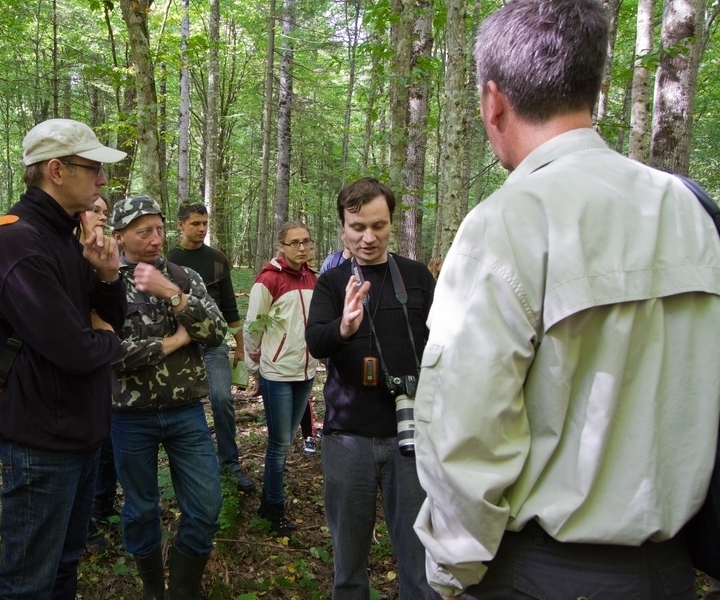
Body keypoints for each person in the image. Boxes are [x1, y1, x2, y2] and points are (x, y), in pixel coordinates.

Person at [412, 2, 720, 599]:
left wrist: (450, 573)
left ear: (492, 101)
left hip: (539, 574)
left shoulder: (507, 223)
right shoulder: (692, 211)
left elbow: (464, 434)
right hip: (671, 572)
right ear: (597, 91)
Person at [0, 118, 128, 600]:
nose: (103, 180)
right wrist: (107, 341)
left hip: (80, 431)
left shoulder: (67, 238)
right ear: (57, 170)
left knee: (63, 565)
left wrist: (106, 276)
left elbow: (105, 321)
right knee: (27, 581)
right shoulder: (16, 243)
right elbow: (77, 351)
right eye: (94, 168)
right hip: (40, 438)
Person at [304, 177, 437, 600]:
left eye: (378, 226)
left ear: (392, 224)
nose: (368, 237)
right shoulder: (331, 282)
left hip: (412, 436)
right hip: (349, 439)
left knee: (419, 565)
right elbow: (316, 342)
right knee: (348, 566)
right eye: (357, 227)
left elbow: (443, 344)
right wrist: (344, 326)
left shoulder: (415, 277)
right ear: (343, 228)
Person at [109, 194, 226, 600]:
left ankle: (183, 584)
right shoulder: (103, 284)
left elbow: (215, 334)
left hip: (186, 413)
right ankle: (152, 588)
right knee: (141, 510)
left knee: (207, 506)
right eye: (144, 232)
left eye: (159, 229)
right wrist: (175, 340)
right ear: (119, 235)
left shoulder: (183, 276)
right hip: (129, 416)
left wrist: (172, 295)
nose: (156, 238)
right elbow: (111, 355)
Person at [168, 202, 256, 494]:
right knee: (183, 406)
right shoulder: (169, 258)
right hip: (180, 344)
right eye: (195, 223)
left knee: (221, 399)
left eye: (205, 223)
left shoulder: (217, 258)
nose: (202, 229)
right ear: (181, 225)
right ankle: (188, 469)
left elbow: (229, 303)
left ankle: (230, 465)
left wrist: (239, 346)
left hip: (214, 342)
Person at [244, 221, 318, 537]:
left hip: (306, 372)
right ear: (282, 246)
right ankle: (273, 508)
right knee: (278, 445)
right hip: (277, 374)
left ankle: (270, 499)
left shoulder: (314, 279)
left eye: (306, 241)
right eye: (294, 242)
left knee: (286, 441)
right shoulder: (269, 280)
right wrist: (253, 369)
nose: (302, 247)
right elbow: (253, 327)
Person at [81, 195, 123, 549]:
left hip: (101, 363)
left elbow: (113, 319)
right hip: (72, 367)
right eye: (95, 210)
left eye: (105, 213)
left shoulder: (103, 255)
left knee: (103, 435)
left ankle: (100, 505)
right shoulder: (59, 250)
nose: (101, 218)